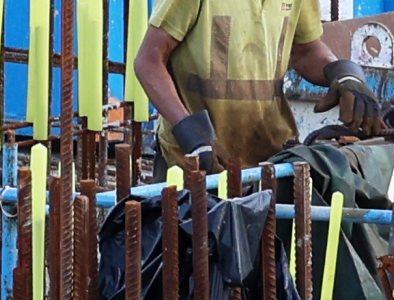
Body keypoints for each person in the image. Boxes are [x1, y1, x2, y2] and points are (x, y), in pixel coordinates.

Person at [130, 0, 376, 177]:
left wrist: (342, 73)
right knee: (190, 247)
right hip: (195, 162)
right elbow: (149, 60)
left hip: (268, 161)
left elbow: (304, 49)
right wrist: (191, 134)